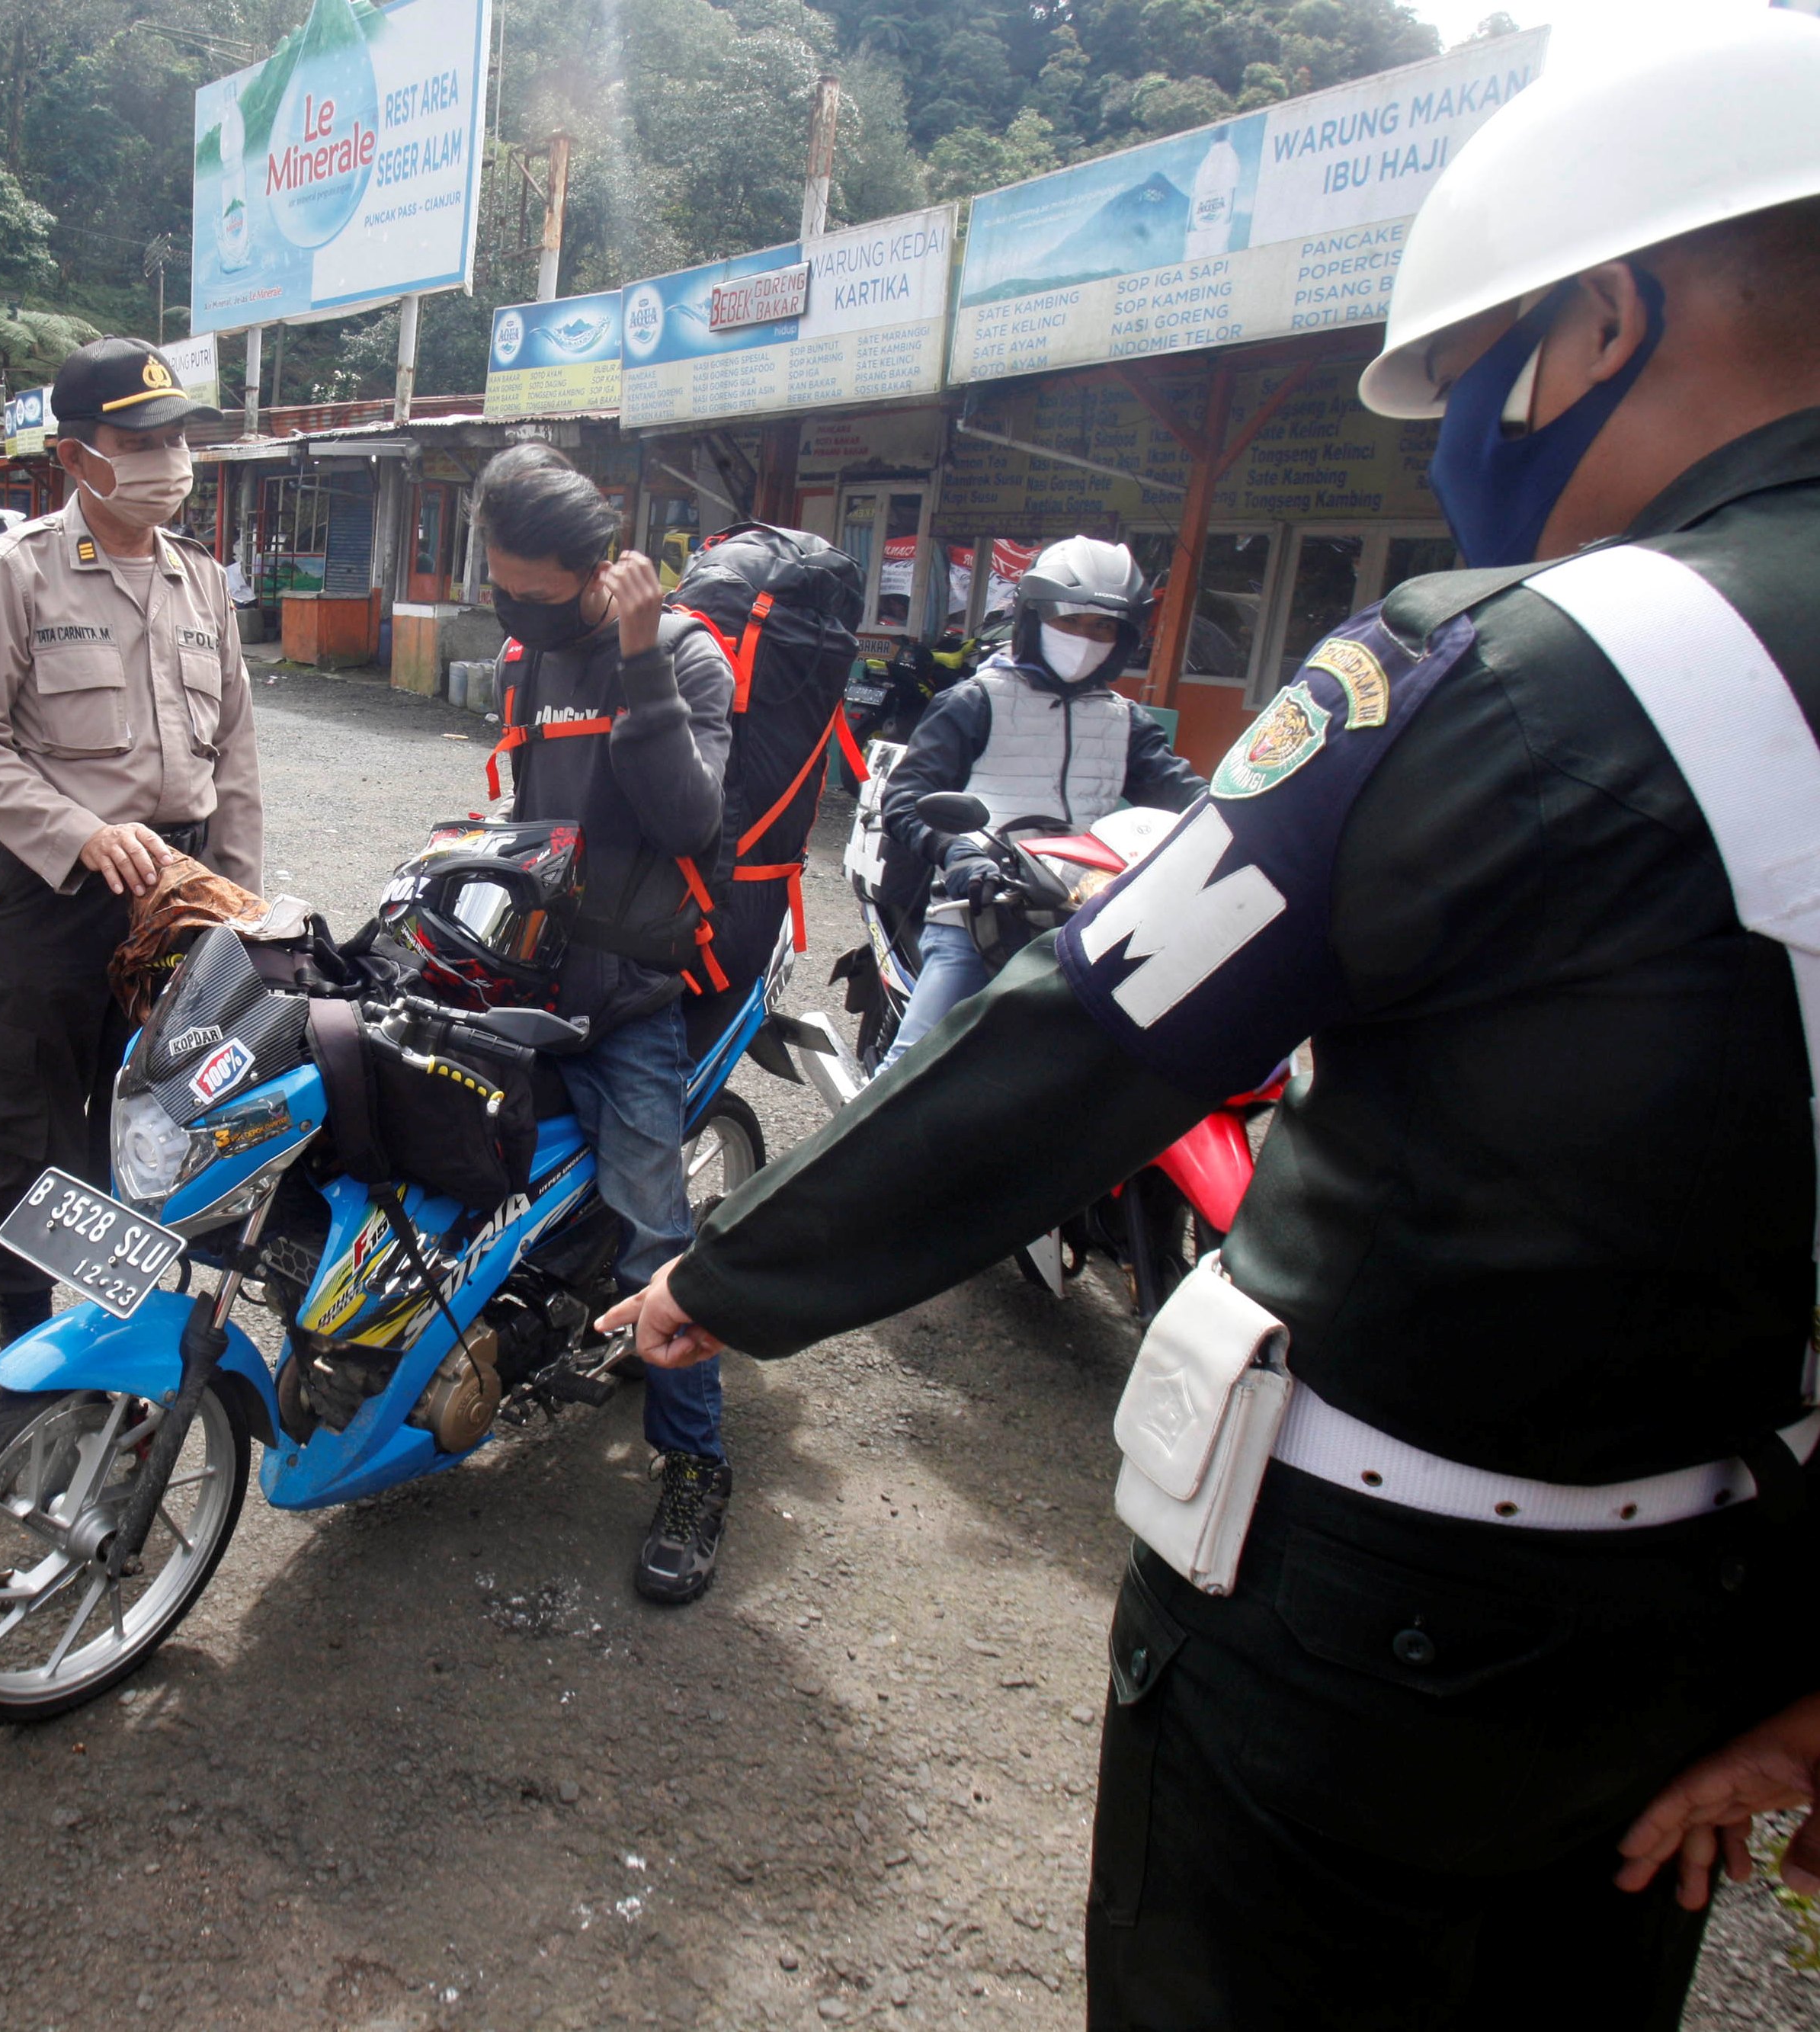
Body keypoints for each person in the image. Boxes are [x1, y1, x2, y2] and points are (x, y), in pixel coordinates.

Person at [602, 18, 1820, 2023]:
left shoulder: (1504, 667)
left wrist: (729, 1281)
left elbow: (1093, 1024)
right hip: (1699, 1637)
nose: (1462, 435)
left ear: (1596, 321)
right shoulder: (997, 699)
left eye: (1479, 365)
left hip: (1384, 1624)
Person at [0, 335, 259, 1347]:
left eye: (176, 438)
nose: (166, 459)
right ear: (75, 458)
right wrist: (76, 834)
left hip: (182, 894)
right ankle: (23, 1340)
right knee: (32, 1120)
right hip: (54, 897)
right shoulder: (15, 572)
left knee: (171, 1122)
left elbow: (235, 750)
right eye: (136, 440)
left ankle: (139, 1341)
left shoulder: (201, 583)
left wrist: (239, 899)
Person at [473, 444, 741, 1605]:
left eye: (529, 589)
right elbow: (533, 822)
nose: (511, 607)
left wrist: (637, 661)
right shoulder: (529, 658)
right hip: (530, 976)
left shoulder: (678, 650)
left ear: (592, 570)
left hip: (630, 996)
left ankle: (695, 1468)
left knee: (655, 1236)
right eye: (499, 585)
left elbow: (689, 818)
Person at [873, 536, 1204, 1069]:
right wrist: (960, 856)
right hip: (980, 914)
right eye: (1070, 621)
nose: (1085, 638)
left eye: (1103, 627)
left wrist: (1252, 814)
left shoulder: (1126, 723)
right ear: (1034, 618)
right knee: (912, 1070)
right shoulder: (975, 702)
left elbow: (1188, 798)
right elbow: (906, 800)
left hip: (1085, 921)